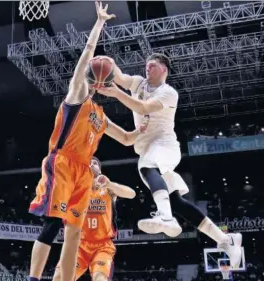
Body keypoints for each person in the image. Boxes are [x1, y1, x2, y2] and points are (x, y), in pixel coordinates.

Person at [19, 3, 153, 281]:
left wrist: (144, 129)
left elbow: (125, 138)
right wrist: (97, 26)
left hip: (81, 173)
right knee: (52, 225)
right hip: (62, 162)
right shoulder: (78, 94)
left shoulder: (101, 115)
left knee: (73, 238)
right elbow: (83, 62)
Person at [97, 53, 243, 268]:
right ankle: (226, 240)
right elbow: (118, 76)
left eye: (153, 66)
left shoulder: (168, 93)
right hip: (148, 149)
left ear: (164, 69)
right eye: (146, 65)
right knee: (178, 202)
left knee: (146, 166)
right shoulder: (138, 83)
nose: (148, 69)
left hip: (165, 147)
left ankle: (166, 217)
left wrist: (117, 94)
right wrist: (106, 62)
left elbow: (143, 108)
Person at [47, 157, 135, 281]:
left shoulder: (107, 189)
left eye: (95, 163)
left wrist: (110, 184)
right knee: (57, 279)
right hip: (78, 245)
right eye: (89, 163)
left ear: (100, 169)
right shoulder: (76, 189)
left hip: (102, 245)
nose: (92, 164)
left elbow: (131, 193)